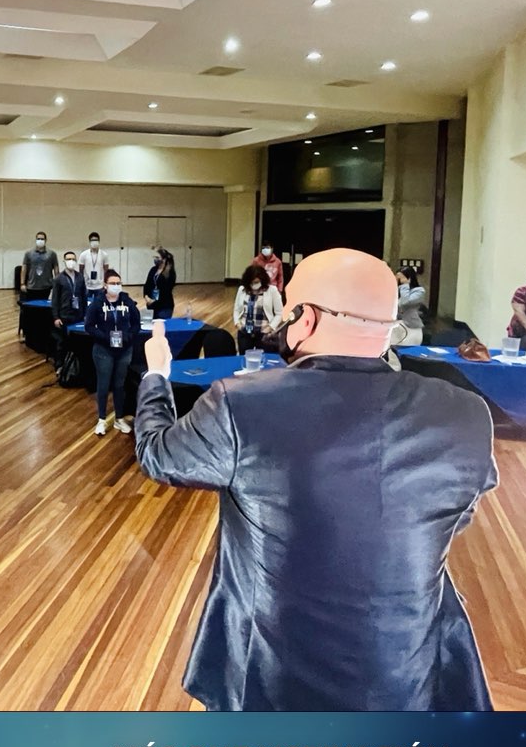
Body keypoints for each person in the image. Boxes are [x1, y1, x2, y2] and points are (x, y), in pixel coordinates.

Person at [134, 247, 497, 711]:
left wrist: (157, 375)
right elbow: (456, 514)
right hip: (410, 670)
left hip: (270, 671)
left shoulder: (240, 404)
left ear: (304, 319)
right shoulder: (466, 412)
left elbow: (158, 454)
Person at [84, 270, 141, 436]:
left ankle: (119, 418)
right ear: (105, 285)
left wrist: (128, 336)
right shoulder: (97, 303)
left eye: (118, 283)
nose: (116, 286)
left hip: (124, 350)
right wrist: (105, 337)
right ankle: (102, 419)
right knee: (103, 384)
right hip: (103, 350)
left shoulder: (127, 302)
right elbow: (89, 326)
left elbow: (136, 324)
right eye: (112, 283)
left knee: (119, 385)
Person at [232, 264, 282, 353]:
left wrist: (270, 327)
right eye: (251, 282)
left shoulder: (272, 291)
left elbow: (279, 313)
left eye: (256, 282)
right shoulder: (242, 290)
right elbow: (236, 309)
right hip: (245, 332)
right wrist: (238, 324)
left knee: (265, 358)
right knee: (244, 357)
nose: (254, 285)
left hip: (264, 333)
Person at [50, 250, 88, 367]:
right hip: (64, 315)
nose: (71, 261)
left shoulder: (80, 277)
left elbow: (84, 297)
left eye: (73, 259)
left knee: (77, 342)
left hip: (78, 315)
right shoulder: (59, 278)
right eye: (68, 259)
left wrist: (86, 314)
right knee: (62, 343)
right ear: (64, 261)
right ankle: (60, 366)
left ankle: (76, 367)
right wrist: (56, 317)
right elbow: (55, 299)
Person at [394, 266, 427, 346]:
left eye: (401, 278)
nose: (399, 280)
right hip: (395, 325)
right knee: (392, 350)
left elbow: (405, 302)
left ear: (409, 278)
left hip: (411, 326)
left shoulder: (419, 291)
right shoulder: (394, 290)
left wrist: (405, 285)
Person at [20, 232, 58, 302]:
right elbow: (24, 268)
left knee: (45, 306)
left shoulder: (52, 254)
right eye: (38, 239)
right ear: (36, 240)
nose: (40, 240)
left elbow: (56, 268)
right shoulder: (28, 253)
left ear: (46, 240)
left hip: (47, 286)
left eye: (42, 239)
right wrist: (22, 283)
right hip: (32, 286)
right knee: (32, 306)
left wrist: (57, 283)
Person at [143, 247, 176, 320]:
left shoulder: (169, 273)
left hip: (164, 306)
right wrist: (146, 297)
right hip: (151, 305)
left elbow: (166, 291)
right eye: (154, 257)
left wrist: (154, 301)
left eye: (157, 257)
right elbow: (147, 285)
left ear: (164, 259)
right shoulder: (153, 269)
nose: (155, 259)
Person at [77, 232, 110, 297]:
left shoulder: (104, 254)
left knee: (99, 302)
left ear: (99, 241)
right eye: (92, 240)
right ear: (89, 242)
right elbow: (81, 270)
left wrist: (105, 283)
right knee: (87, 302)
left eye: (96, 240)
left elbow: (106, 270)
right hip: (87, 285)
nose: (94, 242)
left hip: (100, 285)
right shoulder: (83, 254)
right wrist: (81, 283)